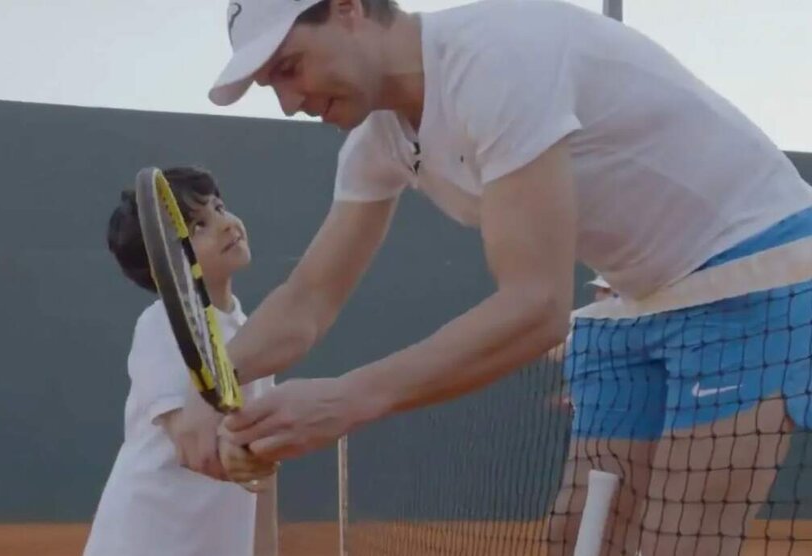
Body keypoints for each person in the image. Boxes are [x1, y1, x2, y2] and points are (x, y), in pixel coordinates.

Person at [191, 1, 812, 554]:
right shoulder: (376, 142)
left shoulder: (497, 59)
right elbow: (307, 300)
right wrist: (207, 389)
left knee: (679, 540)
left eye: (290, 67)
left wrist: (346, 399)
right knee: (584, 536)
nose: (289, 102)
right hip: (634, 300)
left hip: (752, 273)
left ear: (349, 9)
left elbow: (537, 307)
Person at [83, 166, 277, 556]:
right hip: (143, 541)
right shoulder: (162, 325)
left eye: (219, 208)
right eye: (199, 226)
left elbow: (264, 479)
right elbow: (189, 436)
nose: (224, 224)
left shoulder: (252, 335)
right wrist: (242, 449)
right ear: (166, 261)